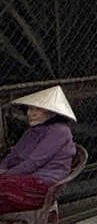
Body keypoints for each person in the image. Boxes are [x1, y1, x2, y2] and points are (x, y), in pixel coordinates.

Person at [0, 85, 77, 213]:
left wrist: (5, 175)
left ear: (51, 112)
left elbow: (34, 163)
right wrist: (2, 169)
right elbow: (13, 155)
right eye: (30, 108)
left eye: (37, 109)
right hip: (21, 178)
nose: (31, 113)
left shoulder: (59, 131)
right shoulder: (33, 131)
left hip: (43, 186)